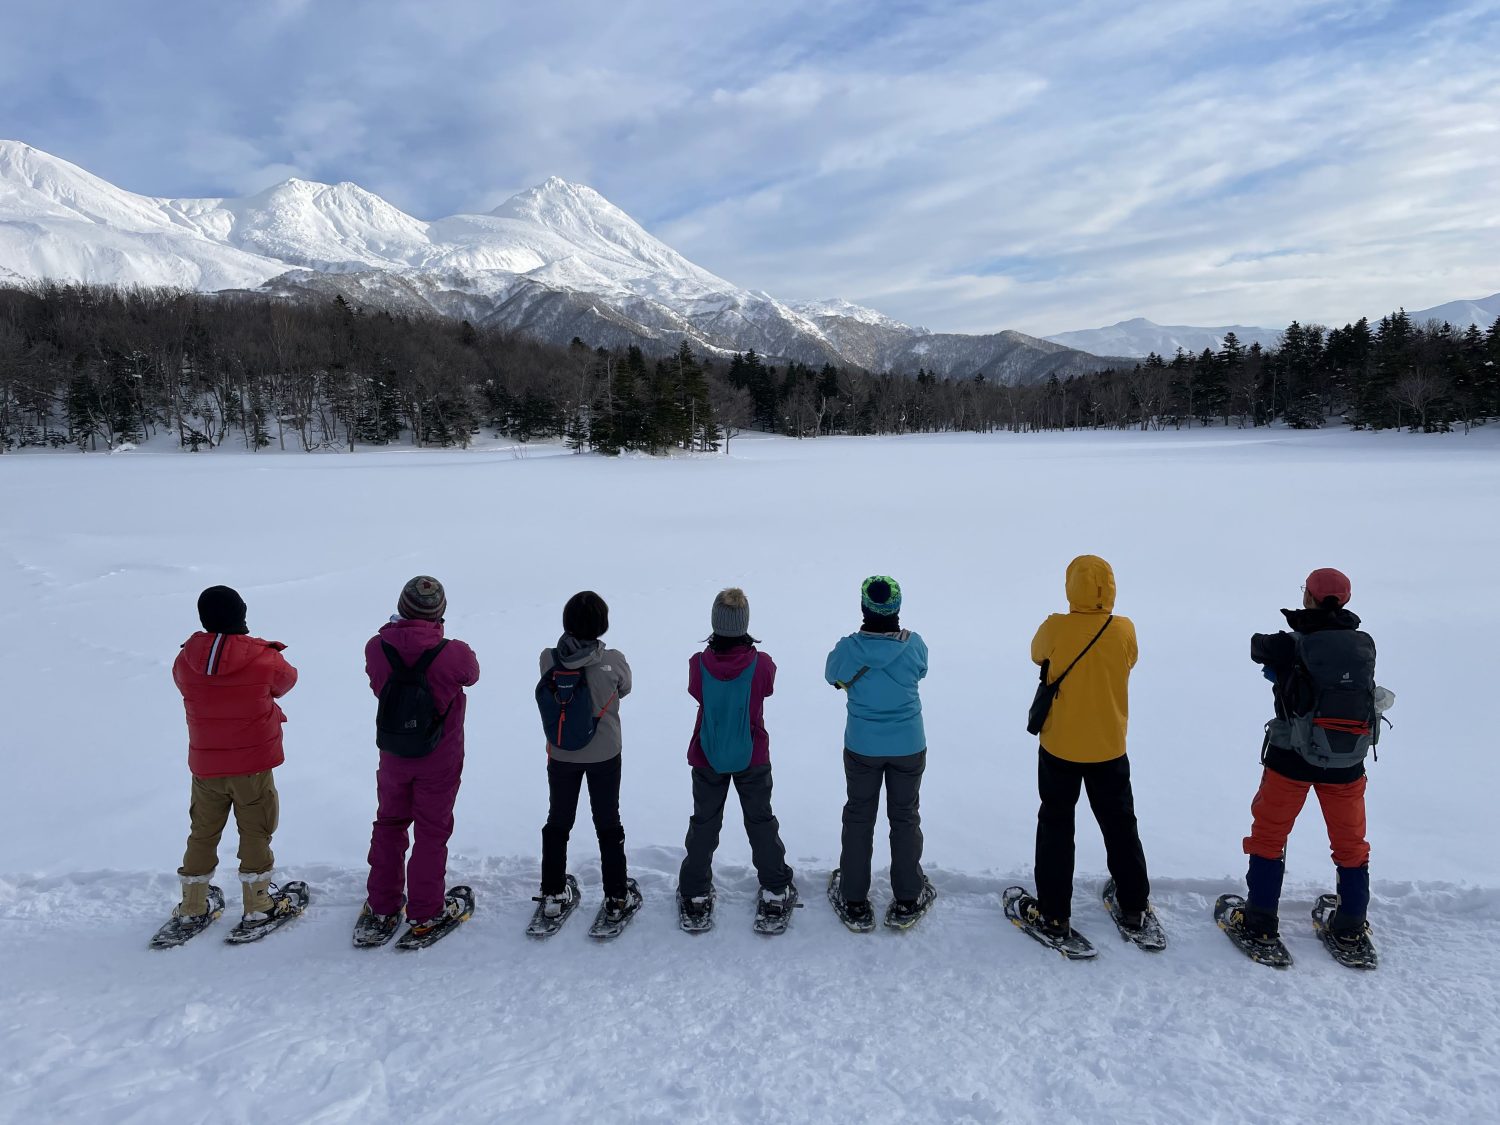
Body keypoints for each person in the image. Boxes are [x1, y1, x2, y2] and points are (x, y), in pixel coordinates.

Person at [1232, 567, 1385, 952]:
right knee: (1351, 844)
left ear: (1309, 598)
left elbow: (1256, 645)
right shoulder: (1363, 646)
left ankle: (1260, 922)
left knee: (1269, 836)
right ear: (1346, 601)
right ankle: (1350, 925)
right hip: (1346, 762)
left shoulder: (1291, 644)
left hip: (1290, 760)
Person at [1014, 555, 1153, 942]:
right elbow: (1130, 660)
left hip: (1060, 747)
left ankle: (1054, 914)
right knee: (1120, 825)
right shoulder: (1123, 629)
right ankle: (1133, 906)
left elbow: (1036, 654)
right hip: (1109, 746)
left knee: (1056, 826)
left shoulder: (1056, 627)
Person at [169, 584, 298, 934]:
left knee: (202, 832)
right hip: (252, 765)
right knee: (255, 830)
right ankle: (258, 904)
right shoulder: (263, 658)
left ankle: (193, 903)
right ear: (240, 614)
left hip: (207, 766)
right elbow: (287, 681)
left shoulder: (184, 661)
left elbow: (186, 684)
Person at [359, 576, 480, 945]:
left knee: (389, 823)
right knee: (431, 830)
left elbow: (375, 682)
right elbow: (471, 675)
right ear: (439, 612)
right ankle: (426, 912)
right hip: (439, 757)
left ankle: (382, 905)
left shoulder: (376, 647)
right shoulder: (453, 652)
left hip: (394, 754)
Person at [677, 588, 795, 926]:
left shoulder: (698, 665)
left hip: (706, 754)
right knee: (760, 821)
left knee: (704, 823)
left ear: (715, 622)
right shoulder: (762, 665)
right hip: (752, 754)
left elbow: (696, 691)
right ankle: (775, 888)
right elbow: (767, 688)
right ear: (744, 623)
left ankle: (695, 892)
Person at [824, 576, 933, 927]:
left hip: (862, 746)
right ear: (897, 608)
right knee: (904, 816)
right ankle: (907, 897)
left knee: (859, 816)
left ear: (863, 608)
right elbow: (922, 670)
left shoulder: (848, 649)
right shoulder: (914, 645)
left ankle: (854, 899)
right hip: (908, 744)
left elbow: (832, 676)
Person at [535, 591, 638, 923]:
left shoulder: (549, 659)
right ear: (602, 625)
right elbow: (624, 688)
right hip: (605, 752)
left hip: (562, 753)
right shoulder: (615, 660)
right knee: (608, 822)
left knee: (558, 821)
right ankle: (617, 896)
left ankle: (552, 893)